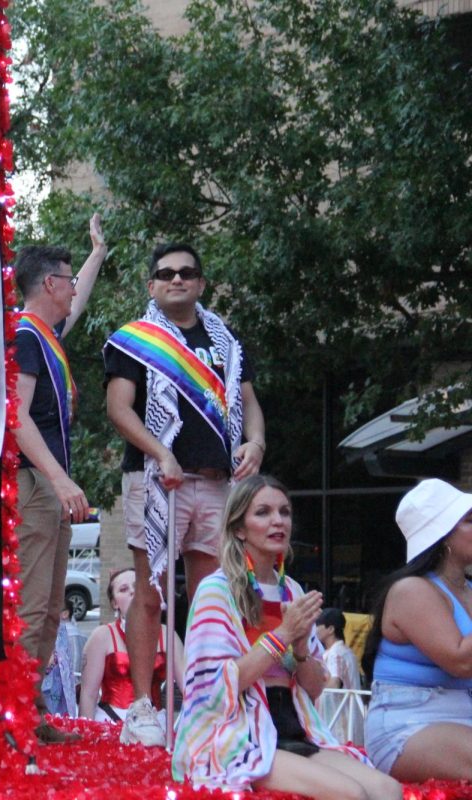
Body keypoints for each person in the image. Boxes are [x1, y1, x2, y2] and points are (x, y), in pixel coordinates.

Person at [103, 241, 266, 746]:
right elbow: (119, 408)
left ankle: (203, 697)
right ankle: (144, 707)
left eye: (187, 273)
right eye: (166, 273)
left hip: (218, 482)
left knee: (210, 596)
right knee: (149, 593)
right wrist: (161, 452)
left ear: (200, 282)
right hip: (158, 481)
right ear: (151, 284)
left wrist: (256, 441)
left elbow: (248, 402)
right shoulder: (134, 340)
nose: (177, 280)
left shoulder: (226, 341)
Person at [172, 476, 400, 799]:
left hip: (294, 725)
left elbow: (316, 687)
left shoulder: (291, 590)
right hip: (239, 734)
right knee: (350, 794)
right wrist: (283, 634)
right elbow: (217, 686)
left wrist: (301, 646)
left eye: (285, 512)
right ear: (239, 528)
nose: (278, 520)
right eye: (263, 512)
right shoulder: (215, 590)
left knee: (387, 789)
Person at [9, 218, 106, 742]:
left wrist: (96, 254)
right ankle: (13, 716)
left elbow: (80, 298)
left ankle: (30, 709)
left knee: (49, 607)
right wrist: (60, 481)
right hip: (36, 484)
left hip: (50, 486)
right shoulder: (25, 336)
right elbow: (15, 416)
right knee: (32, 605)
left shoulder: (45, 335)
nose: (73, 289)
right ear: (49, 284)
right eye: (66, 280)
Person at [362, 478, 472, 782]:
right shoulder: (411, 590)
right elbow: (461, 660)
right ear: (443, 535)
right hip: (410, 725)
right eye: (469, 520)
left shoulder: (467, 589)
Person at [78, 568, 184, 724]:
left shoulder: (167, 635)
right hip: (110, 723)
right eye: (123, 589)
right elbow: (88, 695)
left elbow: (189, 690)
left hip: (157, 722)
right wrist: (86, 735)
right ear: (115, 603)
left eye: (137, 587)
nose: (132, 592)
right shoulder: (102, 636)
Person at [317, 608, 361, 691]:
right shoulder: (345, 651)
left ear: (330, 629)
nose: (316, 630)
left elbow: (335, 684)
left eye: (318, 625)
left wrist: (313, 692)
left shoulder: (336, 653)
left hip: (342, 704)